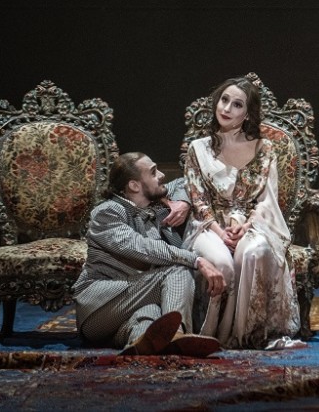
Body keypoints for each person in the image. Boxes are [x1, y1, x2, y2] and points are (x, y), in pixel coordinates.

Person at [181, 76, 305, 350]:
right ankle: (211, 335)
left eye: (237, 104)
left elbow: (267, 199)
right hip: (208, 225)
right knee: (222, 264)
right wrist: (220, 232)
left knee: (254, 252)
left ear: (247, 114)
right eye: (224, 100)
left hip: (252, 223)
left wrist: (246, 226)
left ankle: (249, 335)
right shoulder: (198, 148)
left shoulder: (264, 149)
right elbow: (198, 200)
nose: (227, 108)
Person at [74, 152, 226, 356]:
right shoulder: (107, 213)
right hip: (100, 308)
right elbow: (143, 247)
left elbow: (184, 182)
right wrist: (197, 260)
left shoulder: (154, 204)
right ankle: (177, 335)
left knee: (150, 319)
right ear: (134, 185)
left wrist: (183, 203)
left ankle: (143, 348)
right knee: (178, 270)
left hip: (130, 309)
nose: (162, 175)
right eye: (154, 172)